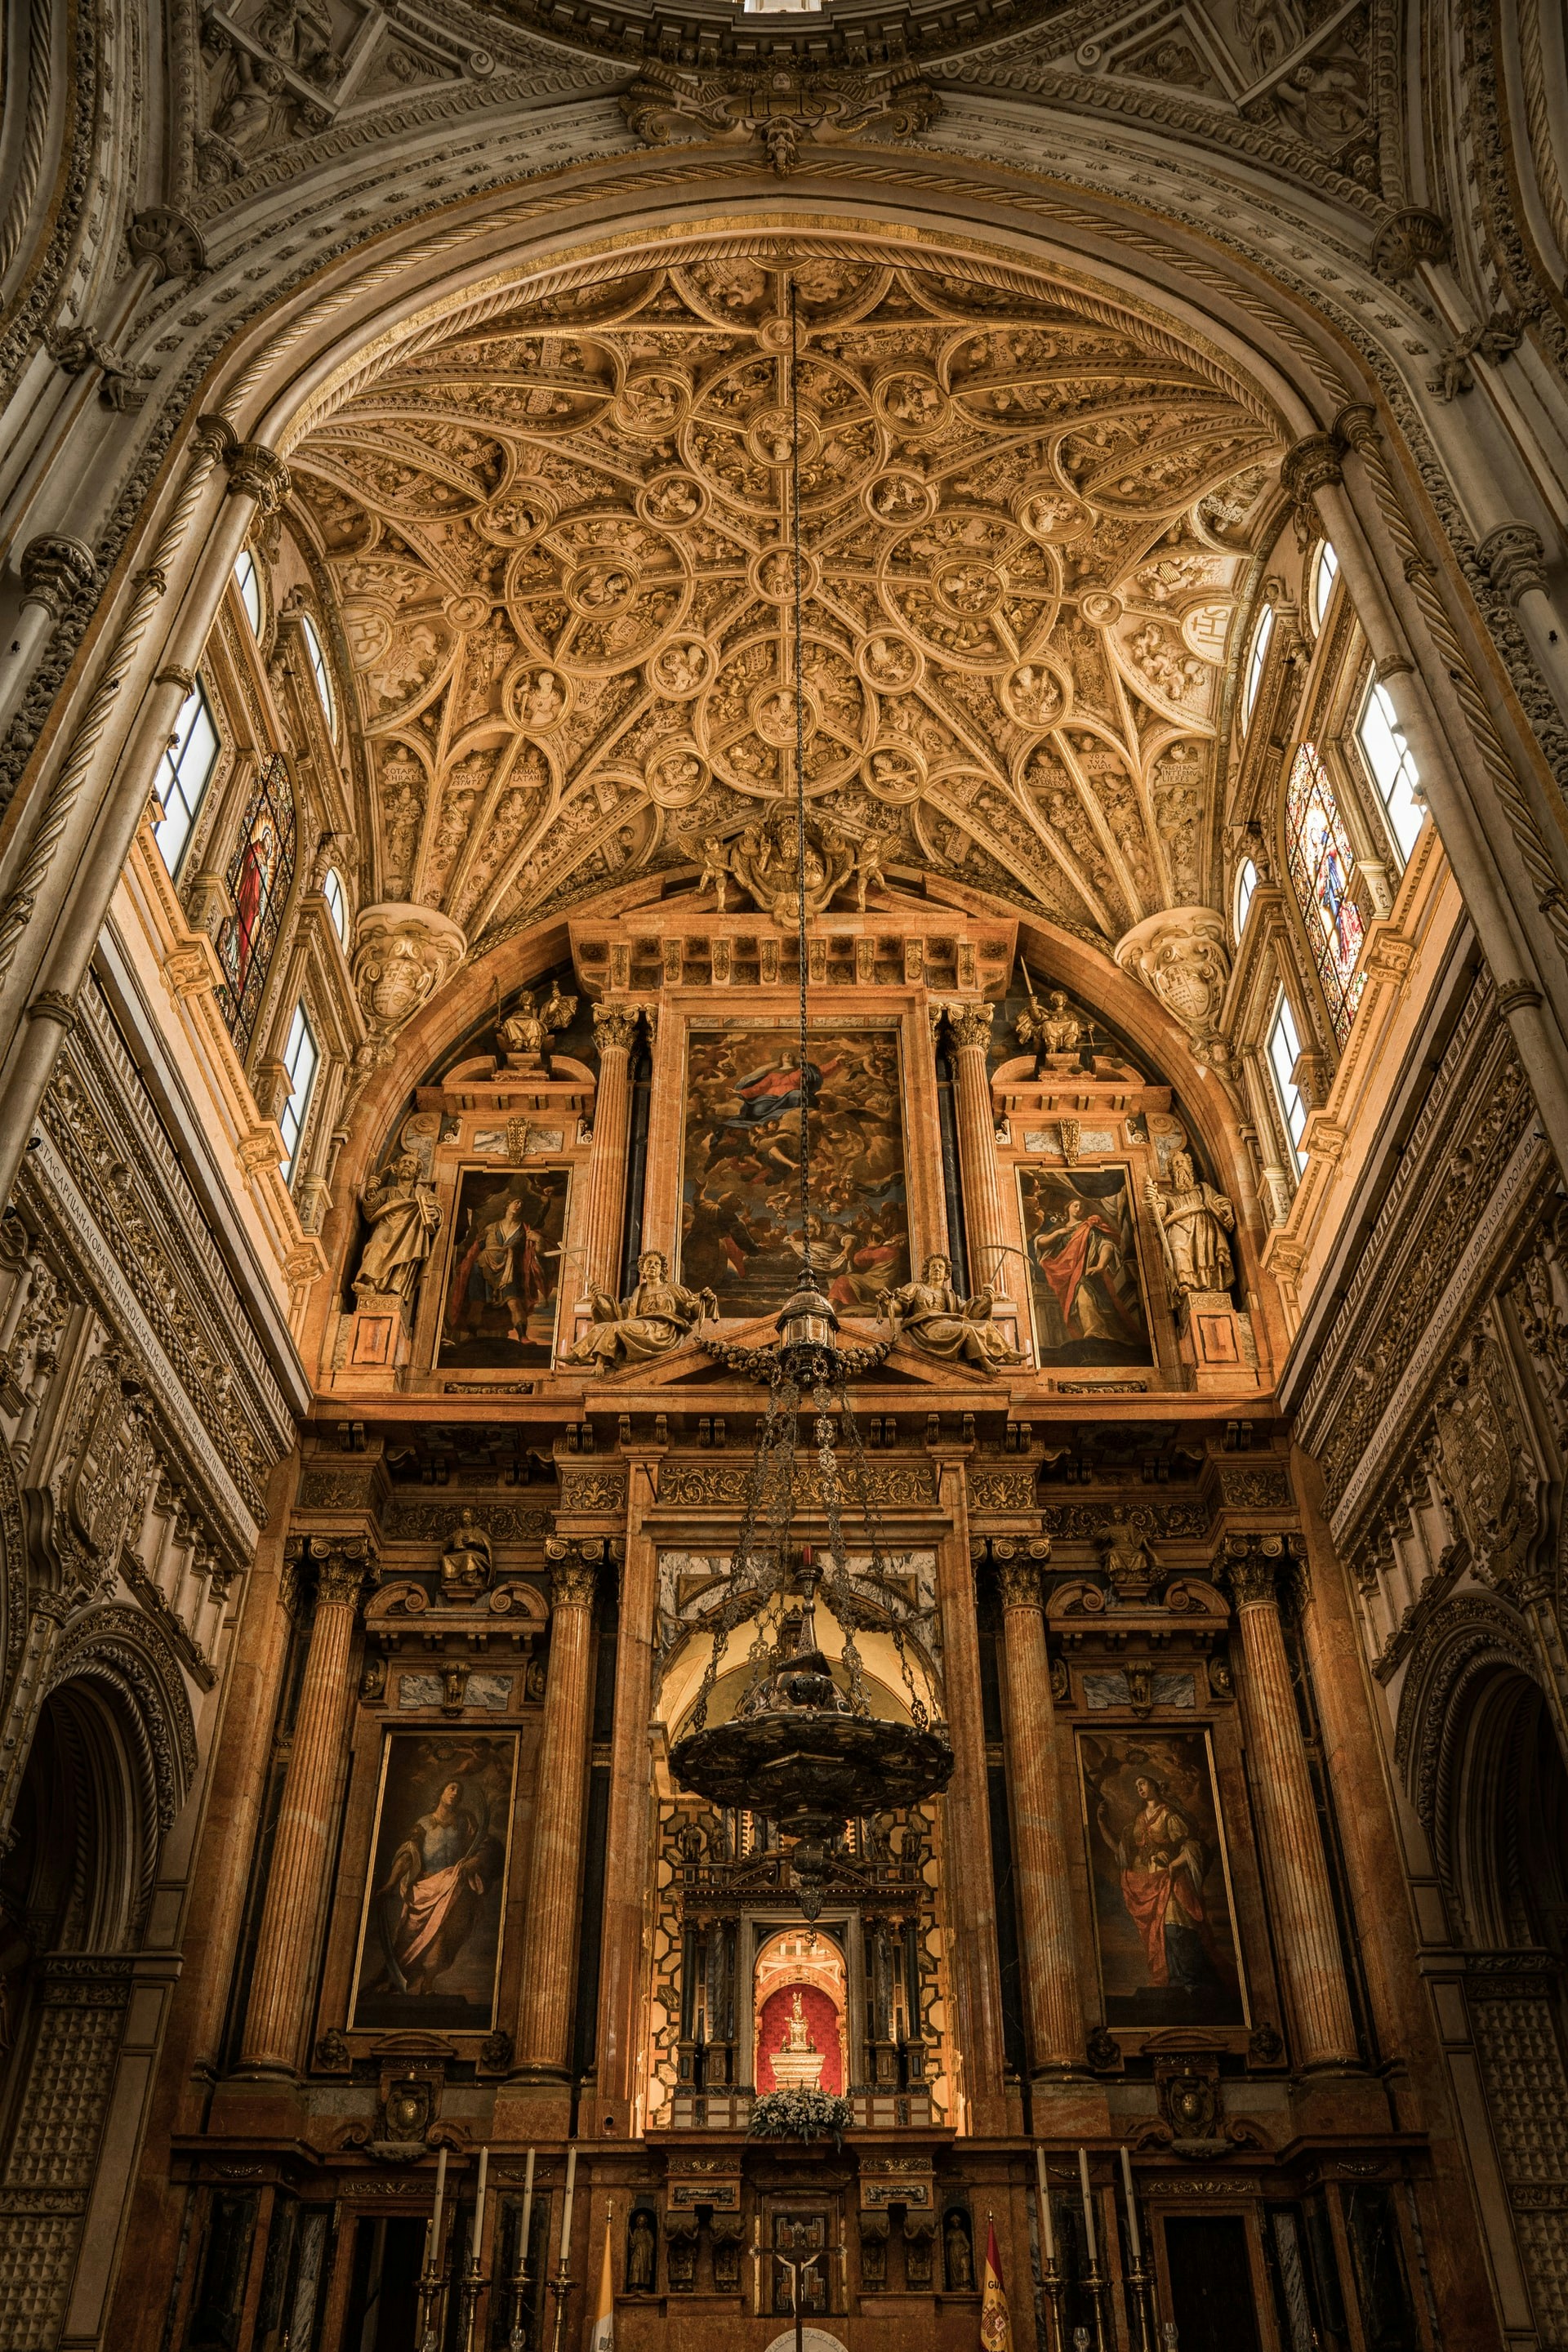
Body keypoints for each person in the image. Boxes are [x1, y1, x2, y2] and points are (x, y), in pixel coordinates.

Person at [371, 1779, 491, 1998]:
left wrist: (474, 1862)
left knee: (442, 1936)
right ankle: (395, 1980)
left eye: (459, 1790)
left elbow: (480, 1846)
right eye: (451, 1788)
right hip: (425, 1889)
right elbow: (409, 1854)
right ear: (441, 1792)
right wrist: (390, 1882)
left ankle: (427, 1984)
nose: (455, 1793)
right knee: (407, 1936)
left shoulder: (465, 1822)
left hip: (452, 1886)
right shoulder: (424, 1824)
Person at [566, 1251, 714, 1370]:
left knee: (617, 1327)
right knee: (601, 1327)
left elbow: (692, 1309)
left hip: (662, 1331)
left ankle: (600, 1364)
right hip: (640, 1329)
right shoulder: (638, 1293)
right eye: (648, 1263)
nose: (652, 1266)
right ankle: (575, 1355)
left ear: (662, 1270)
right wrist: (598, 1299)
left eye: (657, 1264)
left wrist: (705, 1301)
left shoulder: (672, 1289)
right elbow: (617, 1314)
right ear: (641, 1268)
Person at [886, 1254, 1024, 1371]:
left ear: (946, 1274)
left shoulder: (949, 1295)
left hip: (947, 1323)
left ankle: (1008, 1353)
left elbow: (968, 1313)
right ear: (927, 1271)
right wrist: (889, 1303)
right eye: (933, 1266)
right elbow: (900, 1306)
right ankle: (983, 1362)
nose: (936, 1269)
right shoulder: (916, 1287)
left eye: (940, 1267)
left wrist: (987, 1300)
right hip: (927, 1327)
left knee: (985, 1325)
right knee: (966, 1329)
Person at [354, 1152, 442, 1305]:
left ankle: (395, 1288)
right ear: (396, 1168)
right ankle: (371, 1284)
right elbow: (370, 1213)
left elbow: (437, 1210)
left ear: (417, 1172)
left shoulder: (423, 1194)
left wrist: (436, 1215)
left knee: (406, 1254)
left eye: (411, 1164)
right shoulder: (387, 1192)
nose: (407, 1165)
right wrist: (371, 1192)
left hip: (410, 1233)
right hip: (387, 1227)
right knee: (377, 1243)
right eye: (404, 1162)